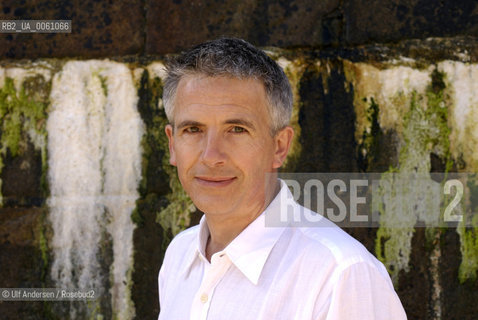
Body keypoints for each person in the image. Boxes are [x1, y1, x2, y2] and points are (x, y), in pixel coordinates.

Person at [158, 37, 407, 320]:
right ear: (172, 144)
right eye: (193, 129)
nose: (210, 156)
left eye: (237, 129)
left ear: (279, 147)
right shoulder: (179, 254)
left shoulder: (340, 274)